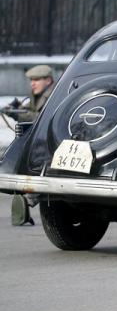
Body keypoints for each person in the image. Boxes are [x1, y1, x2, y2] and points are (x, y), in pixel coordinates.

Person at [1, 65, 55, 226]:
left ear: (49, 80)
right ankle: (25, 202)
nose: (33, 83)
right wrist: (16, 107)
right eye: (31, 80)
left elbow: (39, 117)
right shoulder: (38, 95)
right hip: (38, 144)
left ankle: (27, 201)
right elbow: (30, 110)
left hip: (50, 146)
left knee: (42, 175)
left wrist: (16, 113)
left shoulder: (53, 95)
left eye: (37, 80)